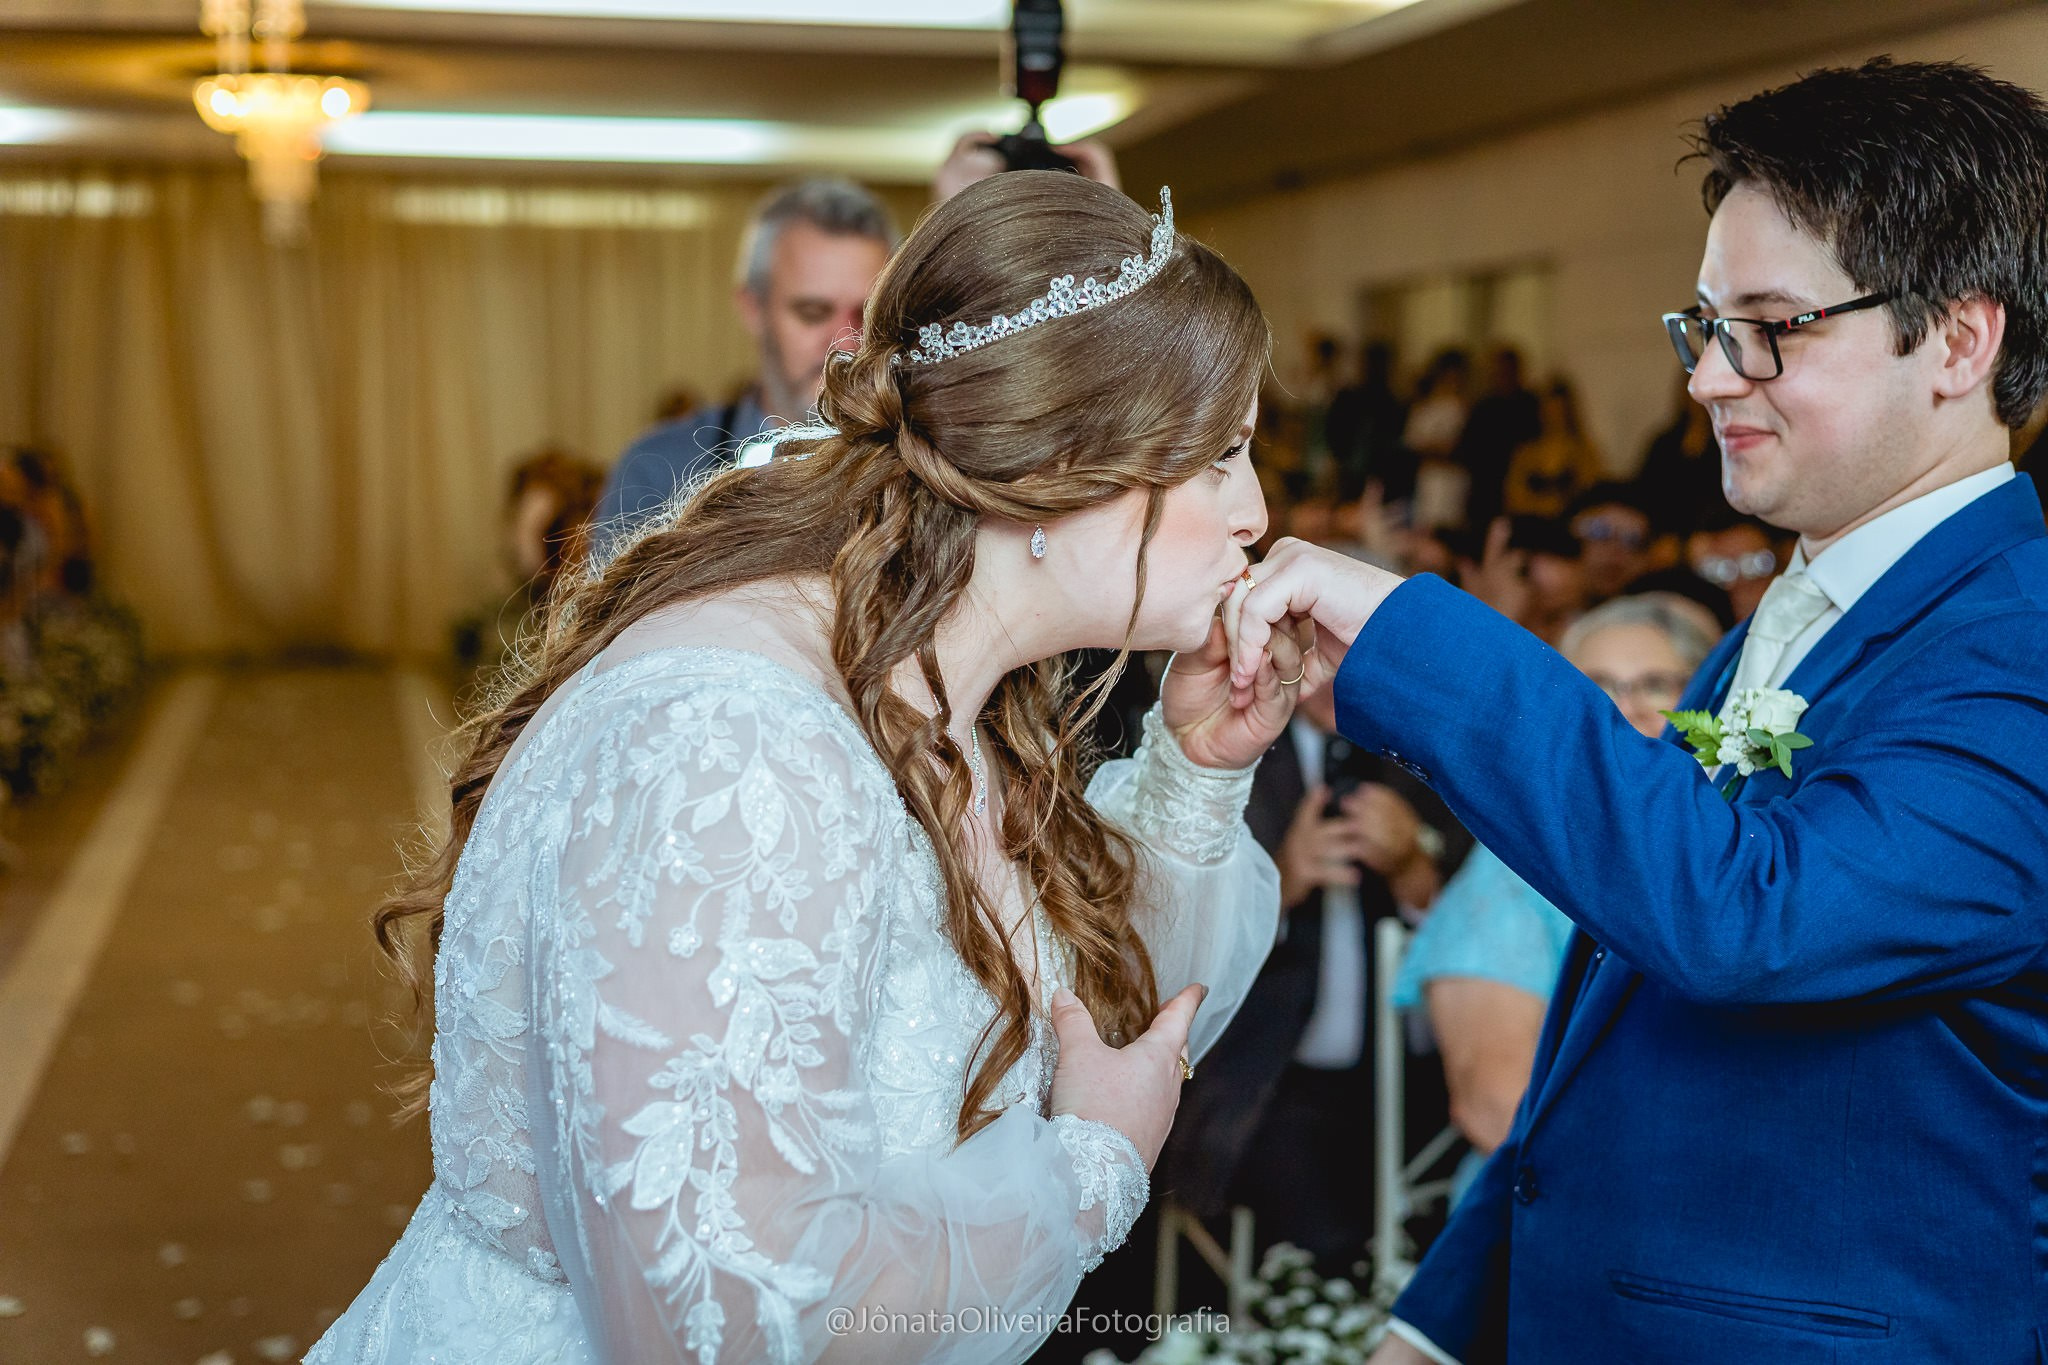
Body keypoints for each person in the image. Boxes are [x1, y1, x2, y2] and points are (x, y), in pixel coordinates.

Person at [311, 172, 1305, 1365]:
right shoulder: (736, 747)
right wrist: (1087, 1173)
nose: (1253, 511)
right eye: (1221, 456)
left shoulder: (947, 690)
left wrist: (1196, 768)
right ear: (1060, 463)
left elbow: (1101, 1027)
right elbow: (724, 1315)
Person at [1224, 58, 2048, 1365]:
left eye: (1771, 329)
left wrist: (1416, 644)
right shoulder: (1790, 620)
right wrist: (1439, 1324)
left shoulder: (2019, 646)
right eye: (1705, 326)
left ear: (1959, 339)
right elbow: (1619, 1023)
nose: (1712, 380)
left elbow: (1751, 915)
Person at [1392, 594, 1714, 1208]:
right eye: (1595, 690)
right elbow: (1493, 1107)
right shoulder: (1511, 875)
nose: (1628, 709)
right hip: (1573, 1203)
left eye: (1657, 684)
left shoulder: (1739, 853)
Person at [590, 179, 901, 555]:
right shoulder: (659, 470)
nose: (845, 344)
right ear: (753, 310)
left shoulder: (921, 466)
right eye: (812, 313)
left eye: (865, 315)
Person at [1501, 379, 1601, 520]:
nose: (1553, 416)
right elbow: (1513, 496)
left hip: (1569, 525)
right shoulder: (1526, 453)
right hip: (1532, 525)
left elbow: (1592, 492)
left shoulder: (1583, 451)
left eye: (1559, 411)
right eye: (1548, 410)